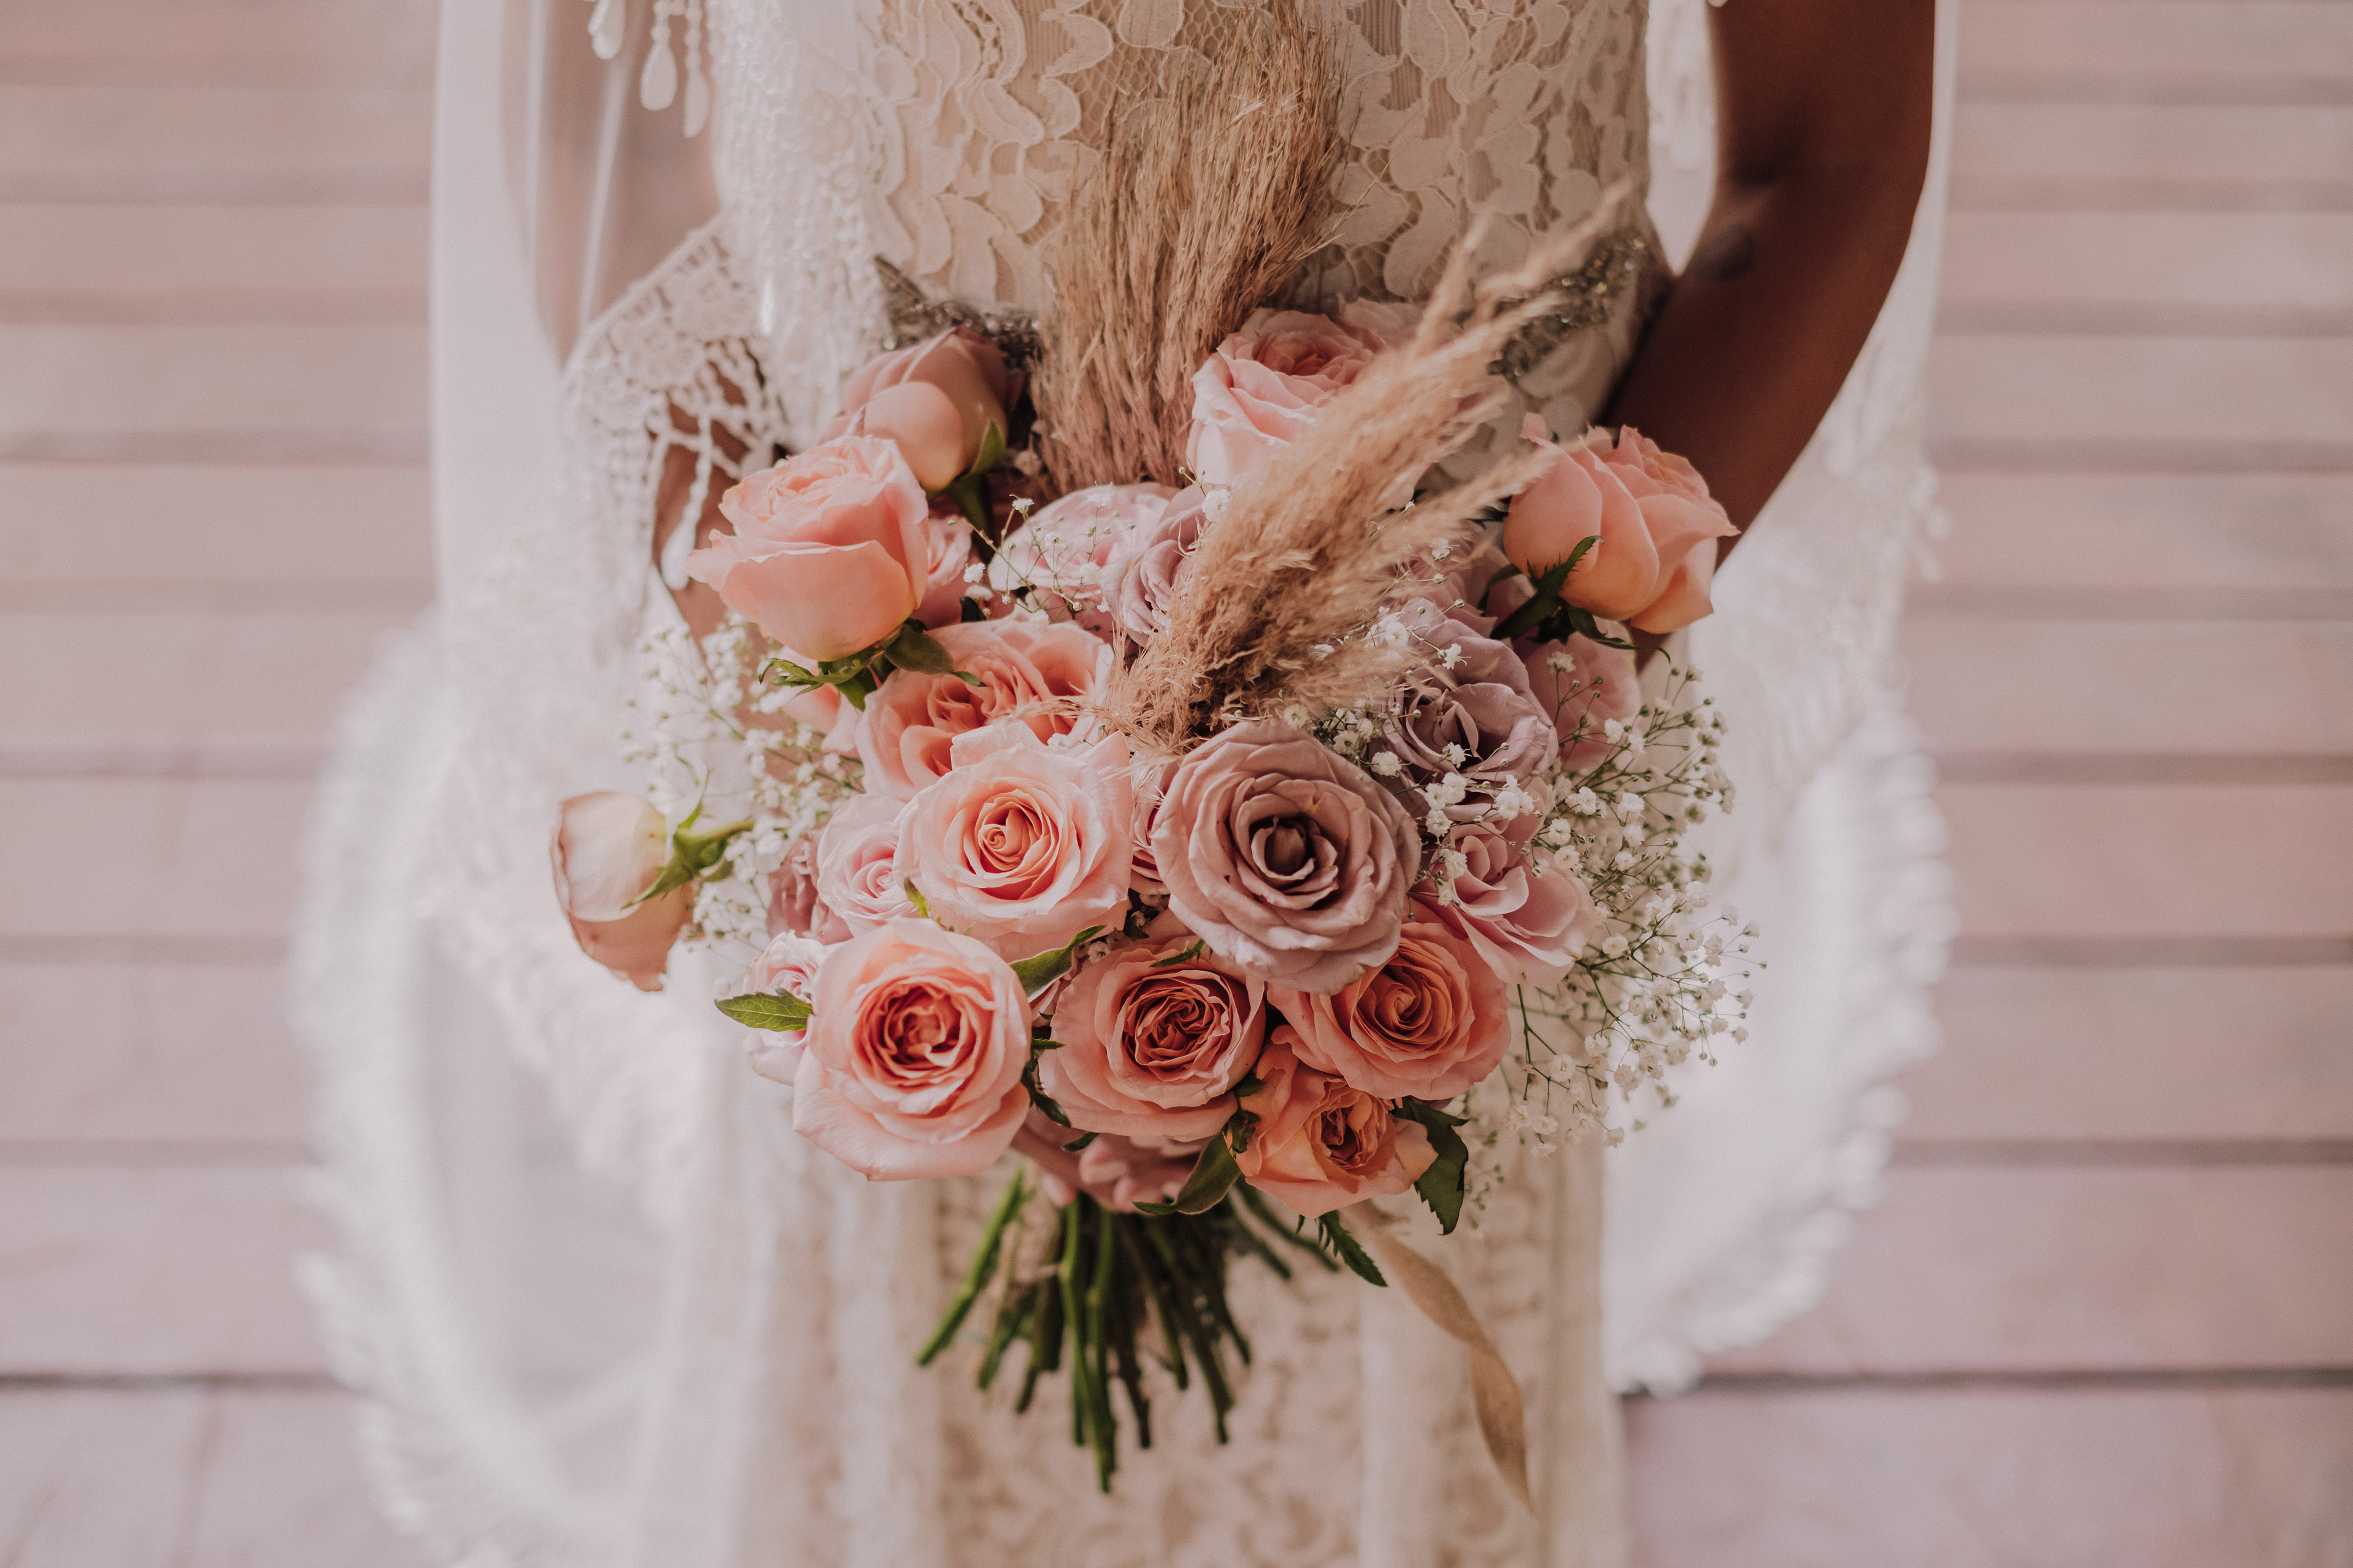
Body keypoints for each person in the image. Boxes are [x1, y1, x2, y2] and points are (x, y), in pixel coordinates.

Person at [292, 2, 1949, 1563]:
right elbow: (602, 125)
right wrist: (828, 709)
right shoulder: (866, 780)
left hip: (1466, 748)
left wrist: (1532, 691)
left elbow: (1822, 157)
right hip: (912, 741)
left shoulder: (1496, 753)